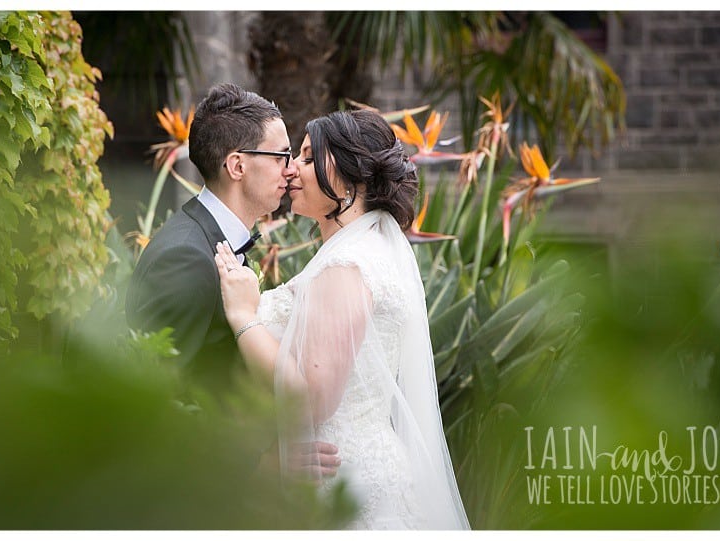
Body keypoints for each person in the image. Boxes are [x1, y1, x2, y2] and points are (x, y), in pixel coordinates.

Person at [215, 109, 470, 529]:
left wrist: (245, 317)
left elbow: (314, 399)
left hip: (345, 488)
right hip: (351, 472)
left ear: (352, 177)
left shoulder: (347, 265)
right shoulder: (365, 251)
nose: (292, 169)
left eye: (310, 158)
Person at [125, 83, 340, 478]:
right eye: (281, 156)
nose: (291, 170)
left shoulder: (212, 241)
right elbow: (151, 399)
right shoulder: (186, 259)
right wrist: (258, 466)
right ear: (238, 166)